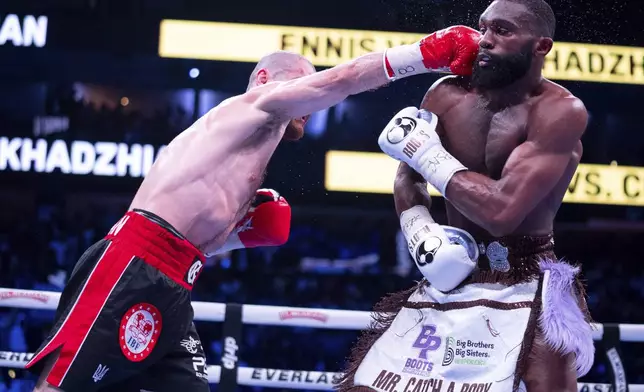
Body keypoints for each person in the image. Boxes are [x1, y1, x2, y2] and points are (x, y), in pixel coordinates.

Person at [26, 26, 481, 392]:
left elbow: (193, 238)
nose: (309, 98)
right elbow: (342, 79)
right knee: (62, 386)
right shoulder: (251, 105)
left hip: (176, 278)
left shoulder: (246, 151)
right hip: (134, 264)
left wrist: (241, 234)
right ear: (265, 79)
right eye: (301, 79)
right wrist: (426, 53)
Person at [338, 1, 595, 391]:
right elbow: (408, 178)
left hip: (527, 276)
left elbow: (502, 211)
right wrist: (421, 233)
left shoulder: (559, 111)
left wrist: (429, 154)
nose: (485, 41)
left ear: (541, 46)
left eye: (503, 31)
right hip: (453, 271)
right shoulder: (445, 95)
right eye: (484, 28)